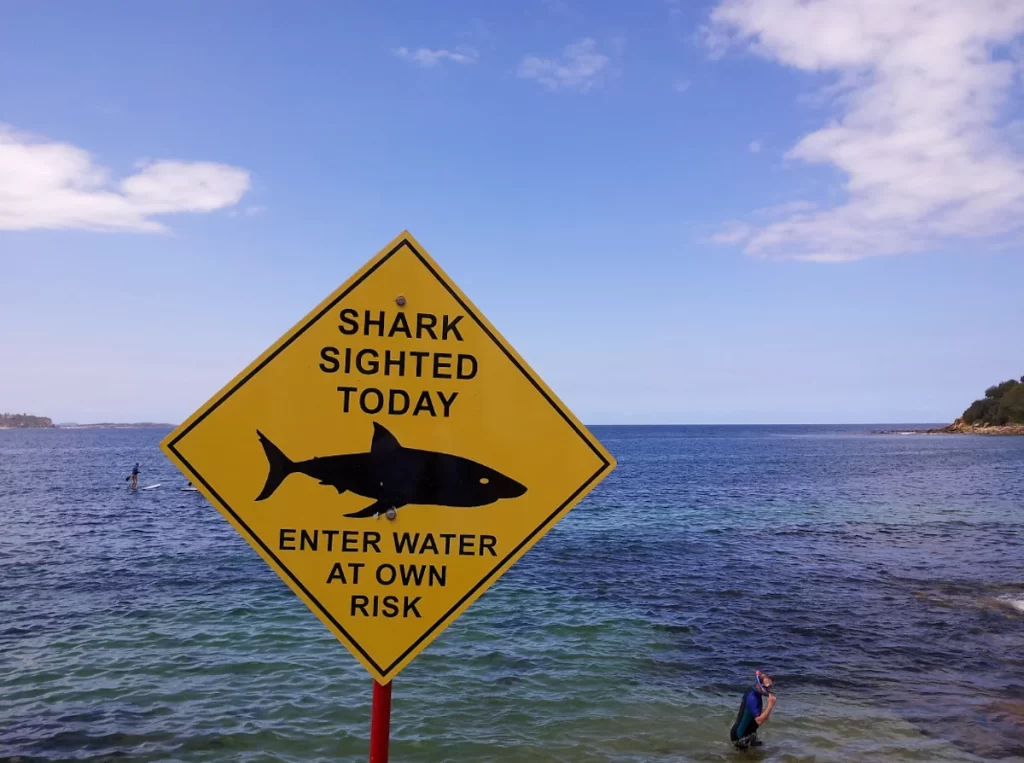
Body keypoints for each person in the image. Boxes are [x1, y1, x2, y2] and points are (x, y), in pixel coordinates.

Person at [729, 670, 776, 749]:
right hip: (740, 736)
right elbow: (759, 721)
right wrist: (770, 705)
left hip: (749, 733)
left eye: (770, 687)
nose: (768, 690)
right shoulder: (753, 698)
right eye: (766, 687)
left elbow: (762, 716)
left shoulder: (755, 692)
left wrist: (768, 708)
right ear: (759, 684)